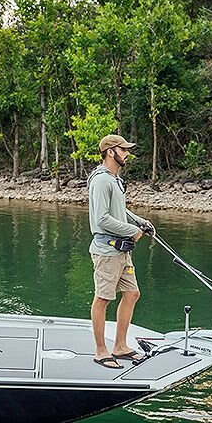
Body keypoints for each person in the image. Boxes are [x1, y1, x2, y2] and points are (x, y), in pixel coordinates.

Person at [88, 134, 154, 369]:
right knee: (103, 298)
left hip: (122, 250)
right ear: (109, 152)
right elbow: (102, 219)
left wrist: (140, 221)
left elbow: (120, 211)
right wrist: (131, 230)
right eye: (123, 149)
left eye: (127, 149)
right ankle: (100, 351)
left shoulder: (114, 179)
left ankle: (120, 346)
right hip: (106, 250)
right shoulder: (101, 180)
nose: (127, 153)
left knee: (132, 293)